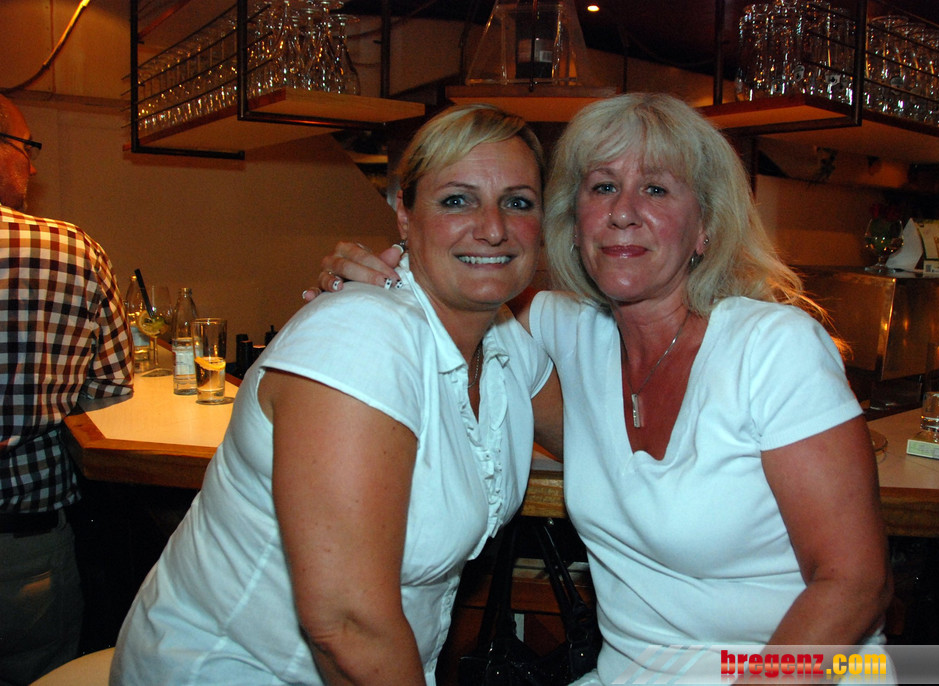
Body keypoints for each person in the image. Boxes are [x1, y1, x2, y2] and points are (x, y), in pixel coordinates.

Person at [318, 92, 893, 684]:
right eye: (603, 187)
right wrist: (375, 275)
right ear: (573, 224)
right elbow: (462, 278)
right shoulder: (565, 329)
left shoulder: (771, 346)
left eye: (656, 189)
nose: (623, 212)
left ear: (705, 227)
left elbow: (855, 584)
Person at [111, 104, 561, 686]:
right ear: (404, 216)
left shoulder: (504, 340)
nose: (493, 228)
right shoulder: (361, 334)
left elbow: (597, 443)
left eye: (518, 202)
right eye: (457, 200)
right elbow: (346, 628)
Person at [0, 94, 134, 684]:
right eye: (25, 148)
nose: (33, 166)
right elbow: (111, 388)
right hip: (22, 547)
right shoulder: (69, 249)